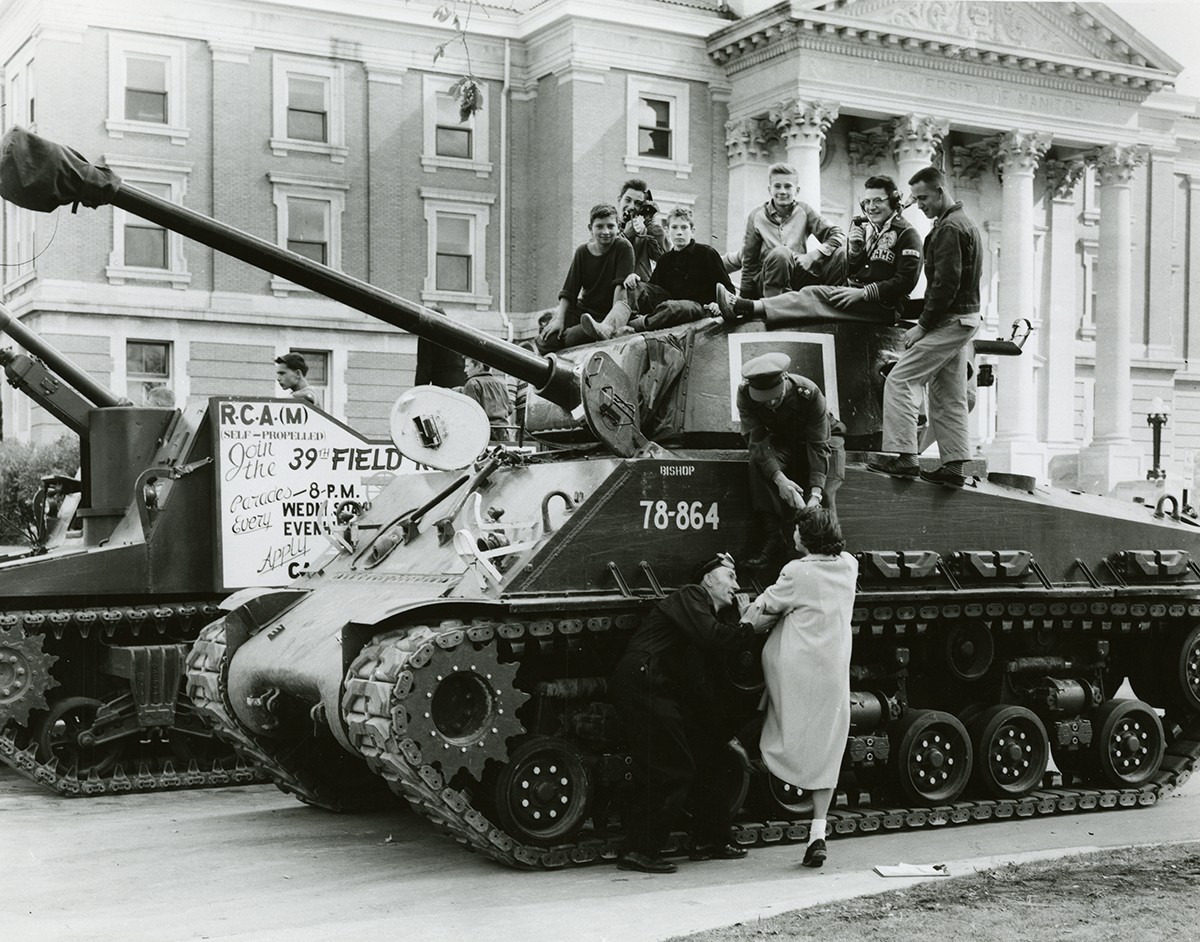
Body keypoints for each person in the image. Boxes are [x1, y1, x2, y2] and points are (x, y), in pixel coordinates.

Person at [609, 552, 754, 874]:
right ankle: (639, 851)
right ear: (708, 579)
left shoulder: (708, 614)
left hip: (663, 690)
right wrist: (747, 624)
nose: (736, 585)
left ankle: (711, 838)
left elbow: (707, 677)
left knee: (709, 757)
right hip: (645, 685)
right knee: (671, 770)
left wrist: (721, 734)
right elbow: (714, 638)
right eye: (730, 576)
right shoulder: (691, 595)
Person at [741, 507, 857, 869]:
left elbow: (768, 604)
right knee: (827, 748)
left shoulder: (797, 571)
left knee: (784, 731)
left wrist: (745, 610)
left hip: (797, 668)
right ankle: (817, 833)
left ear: (805, 538)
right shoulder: (849, 566)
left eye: (797, 531)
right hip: (833, 670)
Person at [868, 166, 982, 487]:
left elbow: (945, 285)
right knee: (949, 394)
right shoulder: (963, 224)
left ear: (940, 192)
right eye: (915, 198)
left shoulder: (948, 229)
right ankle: (955, 467)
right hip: (965, 320)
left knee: (901, 379)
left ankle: (904, 457)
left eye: (923, 197)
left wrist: (923, 326)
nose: (919, 204)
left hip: (949, 320)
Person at [716, 175, 921, 326]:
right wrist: (856, 251)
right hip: (858, 294)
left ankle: (747, 307)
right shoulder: (872, 232)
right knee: (837, 257)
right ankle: (773, 305)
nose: (870, 207)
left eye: (878, 201)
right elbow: (859, 270)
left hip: (881, 307)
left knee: (814, 294)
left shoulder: (907, 234)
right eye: (867, 202)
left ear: (893, 202)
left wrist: (863, 294)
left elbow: (906, 282)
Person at [737, 352, 844, 566]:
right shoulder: (745, 394)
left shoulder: (809, 392)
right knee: (759, 463)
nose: (772, 403)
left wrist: (815, 494)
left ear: (784, 378)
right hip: (786, 439)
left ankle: (826, 555)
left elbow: (818, 445)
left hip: (825, 438)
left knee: (825, 494)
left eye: (776, 395)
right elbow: (756, 440)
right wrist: (780, 480)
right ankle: (774, 536)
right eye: (764, 400)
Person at [580, 207, 734, 339]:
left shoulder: (706, 253)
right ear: (667, 230)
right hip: (667, 304)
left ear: (692, 231)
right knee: (629, 285)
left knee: (673, 307)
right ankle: (609, 327)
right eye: (674, 228)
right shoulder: (665, 259)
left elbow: (728, 289)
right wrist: (635, 280)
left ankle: (634, 327)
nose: (679, 232)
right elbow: (651, 292)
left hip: (697, 308)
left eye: (684, 228)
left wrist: (717, 304)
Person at [737, 163, 846, 301]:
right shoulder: (756, 216)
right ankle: (774, 307)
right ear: (769, 189)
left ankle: (831, 305)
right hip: (769, 280)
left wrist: (812, 256)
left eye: (788, 186)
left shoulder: (804, 211)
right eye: (777, 186)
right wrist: (744, 298)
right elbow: (749, 262)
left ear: (797, 190)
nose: (782, 191)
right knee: (782, 253)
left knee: (840, 254)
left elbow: (838, 234)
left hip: (798, 274)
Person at [539, 204, 635, 352]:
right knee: (548, 339)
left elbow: (620, 291)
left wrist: (612, 323)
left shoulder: (623, 247)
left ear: (618, 228)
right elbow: (569, 291)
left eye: (611, 226)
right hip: (586, 311)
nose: (606, 231)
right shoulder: (582, 252)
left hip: (607, 314)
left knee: (572, 337)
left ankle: (575, 337)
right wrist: (559, 320)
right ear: (590, 228)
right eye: (599, 226)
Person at [617, 178, 669, 283]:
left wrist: (650, 222)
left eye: (637, 203)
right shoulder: (607, 229)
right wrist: (625, 236)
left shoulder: (645, 235)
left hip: (640, 292)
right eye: (628, 200)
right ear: (619, 200)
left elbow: (665, 258)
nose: (631, 206)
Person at [461, 357, 513, 442]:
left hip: (484, 435)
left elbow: (471, 413)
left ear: (479, 365)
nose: (464, 370)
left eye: (467, 366)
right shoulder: (501, 384)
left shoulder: (472, 383)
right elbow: (510, 409)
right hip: (503, 434)